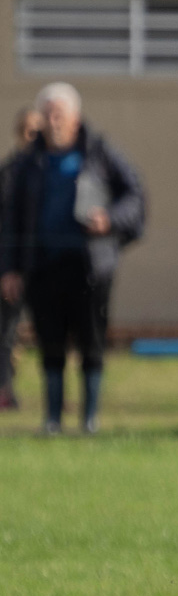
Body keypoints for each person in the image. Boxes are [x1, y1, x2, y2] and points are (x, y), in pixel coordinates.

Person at [0, 83, 145, 436]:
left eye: (60, 114)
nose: (53, 121)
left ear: (76, 118)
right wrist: (9, 268)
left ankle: (89, 420)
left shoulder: (99, 152)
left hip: (90, 267)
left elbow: (135, 197)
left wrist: (109, 220)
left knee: (91, 341)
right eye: (48, 115)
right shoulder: (25, 163)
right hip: (43, 266)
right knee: (50, 342)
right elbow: (8, 218)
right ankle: (52, 420)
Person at [0, 105, 43, 411]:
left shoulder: (50, 171)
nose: (34, 138)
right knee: (7, 333)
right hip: (14, 267)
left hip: (47, 264)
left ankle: (54, 397)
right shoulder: (11, 171)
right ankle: (6, 391)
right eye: (29, 132)